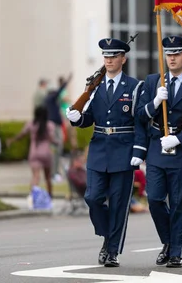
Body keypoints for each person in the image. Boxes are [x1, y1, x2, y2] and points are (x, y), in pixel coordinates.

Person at [66, 38, 147, 268]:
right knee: (92, 197)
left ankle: (112, 251)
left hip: (124, 150)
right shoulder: (96, 87)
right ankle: (107, 235)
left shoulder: (134, 87)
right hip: (99, 149)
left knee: (120, 204)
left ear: (124, 58)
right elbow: (89, 117)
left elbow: (140, 122)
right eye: (106, 56)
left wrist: (139, 151)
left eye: (114, 55)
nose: (109, 59)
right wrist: (78, 119)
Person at [134, 36, 182, 268]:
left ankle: (177, 252)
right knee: (155, 199)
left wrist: (179, 139)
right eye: (169, 54)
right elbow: (138, 115)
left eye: (177, 54)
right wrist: (155, 102)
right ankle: (168, 241)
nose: (172, 58)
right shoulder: (153, 82)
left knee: (179, 204)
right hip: (157, 148)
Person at [7, 106, 58, 197]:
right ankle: (50, 197)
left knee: (35, 176)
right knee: (48, 178)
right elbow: (52, 139)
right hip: (46, 153)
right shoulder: (50, 125)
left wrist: (12, 140)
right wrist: (57, 142)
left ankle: (33, 197)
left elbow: (22, 134)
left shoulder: (31, 124)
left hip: (34, 152)